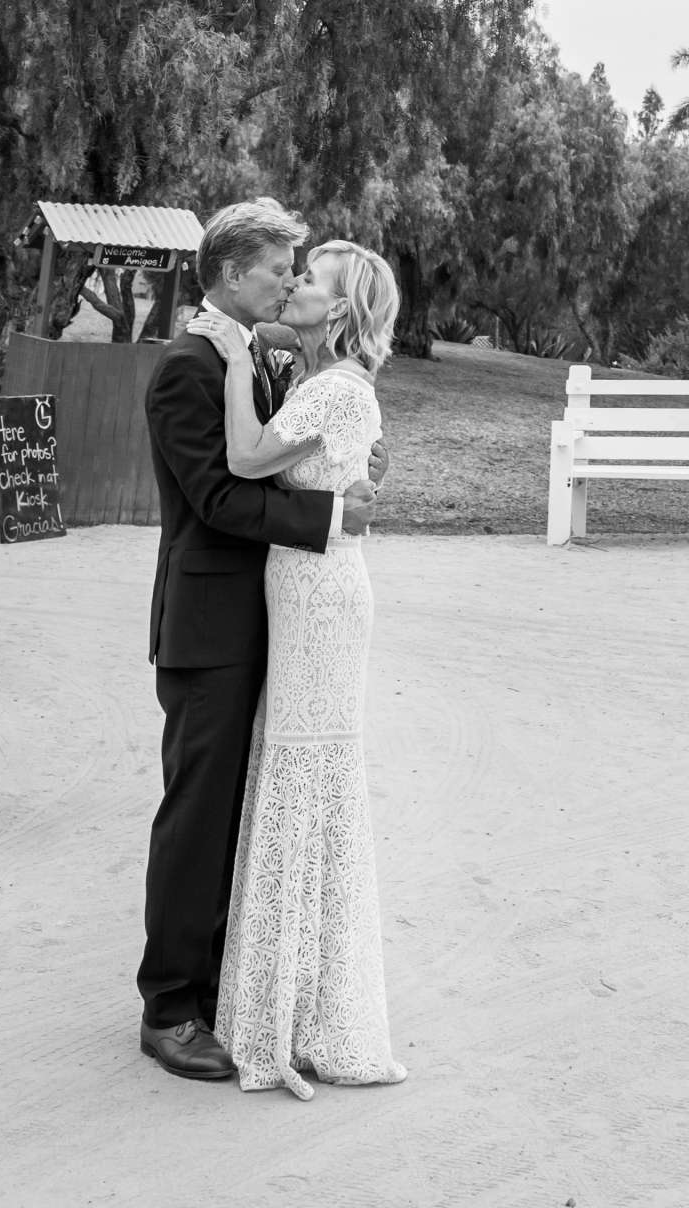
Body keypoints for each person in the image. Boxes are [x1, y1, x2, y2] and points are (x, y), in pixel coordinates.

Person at [137, 199, 384, 1082]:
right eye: (280, 266)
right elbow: (219, 500)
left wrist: (349, 463)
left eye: (298, 268)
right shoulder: (187, 366)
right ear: (235, 274)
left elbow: (290, 446)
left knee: (241, 817)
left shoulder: (263, 353)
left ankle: (215, 991)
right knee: (198, 819)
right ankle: (168, 1008)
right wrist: (329, 513)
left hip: (275, 626)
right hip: (209, 632)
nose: (289, 277)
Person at [191, 240, 407, 1099]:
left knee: (299, 778)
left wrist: (234, 357)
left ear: (342, 310)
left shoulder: (328, 387)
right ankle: (308, 1013)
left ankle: (286, 1020)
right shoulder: (338, 387)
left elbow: (244, 459)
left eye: (311, 280)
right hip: (318, 589)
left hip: (318, 601)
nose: (295, 284)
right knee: (307, 783)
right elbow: (349, 476)